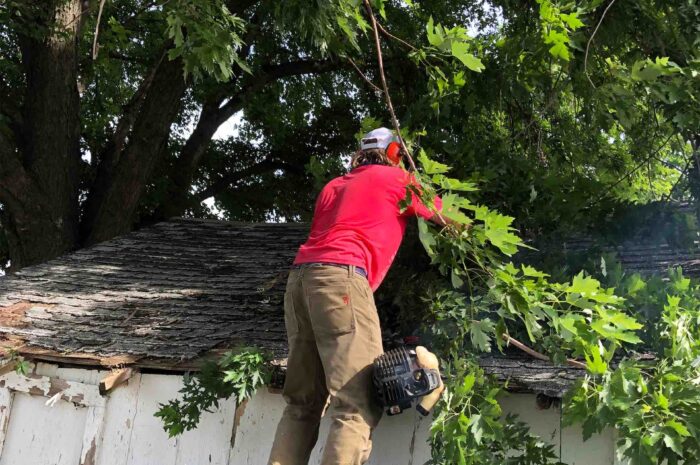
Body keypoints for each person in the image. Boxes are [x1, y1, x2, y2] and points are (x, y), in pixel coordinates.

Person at [268, 127, 445, 465]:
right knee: (357, 402)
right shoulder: (398, 180)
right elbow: (447, 216)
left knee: (302, 405)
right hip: (342, 282)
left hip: (300, 282)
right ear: (395, 154)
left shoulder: (334, 186)